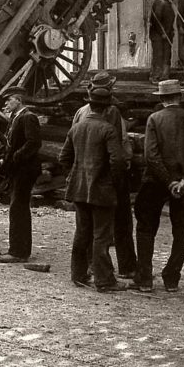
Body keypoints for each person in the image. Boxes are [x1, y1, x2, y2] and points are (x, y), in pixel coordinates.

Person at [134, 79, 184, 293]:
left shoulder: (154, 119)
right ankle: (172, 278)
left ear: (162, 98)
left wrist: (168, 181)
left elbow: (151, 155)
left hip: (156, 182)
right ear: (180, 97)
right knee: (180, 230)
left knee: (146, 228)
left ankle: (145, 278)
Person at [59, 86, 127, 292]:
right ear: (107, 109)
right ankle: (104, 280)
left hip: (79, 189)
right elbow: (117, 162)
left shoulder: (76, 128)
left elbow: (64, 158)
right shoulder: (108, 129)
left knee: (82, 233)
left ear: (90, 104)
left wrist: (75, 175)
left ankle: (78, 275)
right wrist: (114, 183)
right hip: (101, 190)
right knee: (101, 235)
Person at [71, 71, 137, 278]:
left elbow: (70, 150)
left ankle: (86, 268)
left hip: (83, 180)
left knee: (85, 228)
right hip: (107, 178)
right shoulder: (111, 112)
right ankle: (125, 268)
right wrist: (118, 173)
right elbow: (117, 148)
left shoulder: (80, 113)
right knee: (118, 224)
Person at [0, 88, 42, 263]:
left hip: (24, 170)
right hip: (18, 169)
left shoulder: (28, 117)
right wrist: (5, 159)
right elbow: (13, 142)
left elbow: (34, 142)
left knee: (18, 208)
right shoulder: (16, 118)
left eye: (9, 101)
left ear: (19, 100)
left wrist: (15, 157)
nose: (6, 104)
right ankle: (19, 249)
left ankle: (18, 252)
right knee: (18, 208)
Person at [149, 0, 179, 82]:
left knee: (167, 55)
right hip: (157, 35)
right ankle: (155, 77)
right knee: (159, 55)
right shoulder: (160, 3)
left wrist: (169, 32)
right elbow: (156, 20)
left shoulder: (168, 4)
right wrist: (162, 33)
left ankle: (165, 77)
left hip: (167, 35)